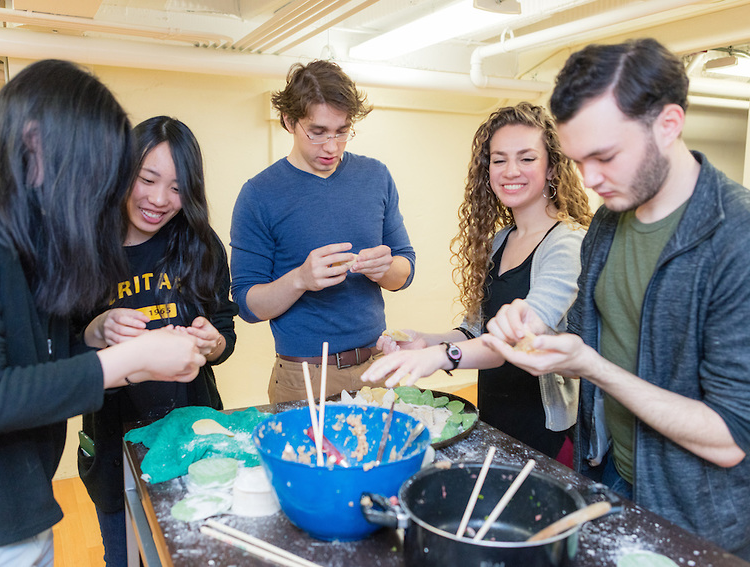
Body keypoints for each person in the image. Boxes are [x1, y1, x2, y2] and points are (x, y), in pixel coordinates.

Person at [481, 38, 750, 561]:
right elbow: (591, 336)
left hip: (696, 516)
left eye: (605, 156)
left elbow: (732, 438)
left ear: (668, 124)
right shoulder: (608, 222)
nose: (590, 180)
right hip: (608, 471)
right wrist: (538, 334)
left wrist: (593, 367)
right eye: (579, 160)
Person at [0, 61, 205, 567]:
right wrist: (130, 357)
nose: (94, 196)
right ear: (35, 142)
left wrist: (118, 352)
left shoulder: (17, 228)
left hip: (20, 505)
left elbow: (37, 362)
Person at [361, 103, 592, 459]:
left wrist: (441, 357)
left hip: (545, 432)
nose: (511, 170)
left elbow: (515, 341)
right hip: (495, 418)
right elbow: (476, 331)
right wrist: (425, 343)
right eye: (499, 160)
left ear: (552, 168)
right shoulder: (502, 240)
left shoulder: (567, 243)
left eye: (527, 158)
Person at [77, 116, 237, 566]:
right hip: (114, 444)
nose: (159, 200)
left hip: (192, 433)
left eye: (177, 188)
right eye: (148, 179)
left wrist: (213, 343)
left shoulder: (201, 245)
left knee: (196, 553)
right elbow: (60, 351)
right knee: (126, 556)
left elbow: (225, 330)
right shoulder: (84, 248)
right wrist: (96, 328)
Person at [230, 60, 415, 403]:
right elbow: (247, 304)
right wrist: (300, 279)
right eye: (317, 132)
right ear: (288, 121)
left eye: (342, 131)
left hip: (377, 365)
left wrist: (385, 269)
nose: (331, 146)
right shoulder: (258, 194)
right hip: (304, 376)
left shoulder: (376, 176)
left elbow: (405, 270)